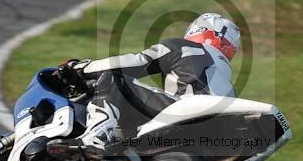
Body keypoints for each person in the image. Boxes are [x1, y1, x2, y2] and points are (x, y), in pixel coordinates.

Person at [58, 12, 241, 151]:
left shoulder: (186, 47)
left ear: (197, 31)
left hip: (184, 115)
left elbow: (134, 62)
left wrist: (82, 68)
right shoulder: (228, 83)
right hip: (210, 138)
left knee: (113, 78)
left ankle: (96, 138)